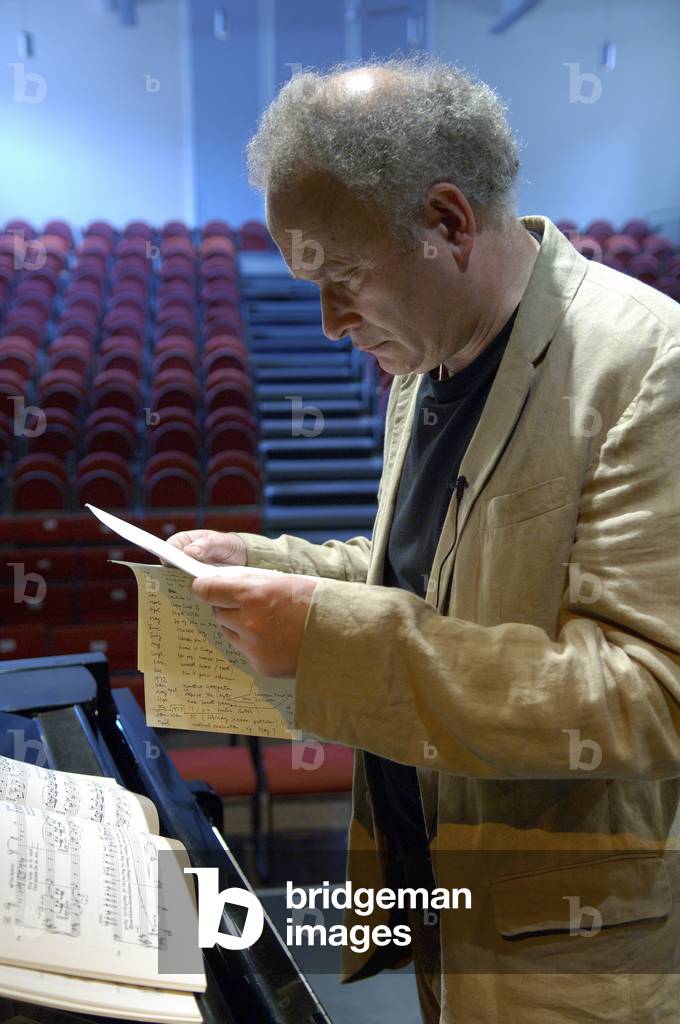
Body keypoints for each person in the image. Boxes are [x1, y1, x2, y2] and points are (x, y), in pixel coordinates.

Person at [168, 57, 680, 1024]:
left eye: (343, 278)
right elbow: (424, 579)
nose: (329, 324)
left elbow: (651, 696)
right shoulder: (426, 361)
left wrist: (328, 639)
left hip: (570, 950)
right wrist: (269, 566)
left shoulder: (650, 363)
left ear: (448, 222)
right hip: (441, 903)